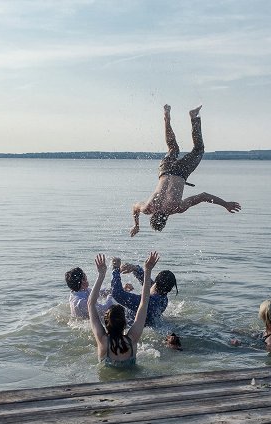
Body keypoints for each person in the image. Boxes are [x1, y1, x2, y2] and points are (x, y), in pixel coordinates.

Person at [130, 104, 241, 236]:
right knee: (173, 148)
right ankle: (167, 118)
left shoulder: (176, 208)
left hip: (181, 172)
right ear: (151, 216)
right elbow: (134, 207)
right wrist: (136, 224)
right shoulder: (147, 207)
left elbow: (203, 196)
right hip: (164, 169)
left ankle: (194, 117)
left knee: (198, 149)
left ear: (166, 219)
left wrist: (225, 204)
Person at [88, 252, 159, 368]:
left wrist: (101, 274)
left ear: (106, 324)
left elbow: (90, 304)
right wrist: (147, 270)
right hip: (133, 383)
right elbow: (144, 303)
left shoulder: (103, 341)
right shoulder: (132, 340)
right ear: (125, 323)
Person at [109, 257, 177, 327]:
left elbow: (117, 293)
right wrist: (135, 268)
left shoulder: (144, 302)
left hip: (129, 328)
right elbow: (148, 283)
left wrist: (115, 269)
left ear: (155, 283)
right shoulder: (163, 299)